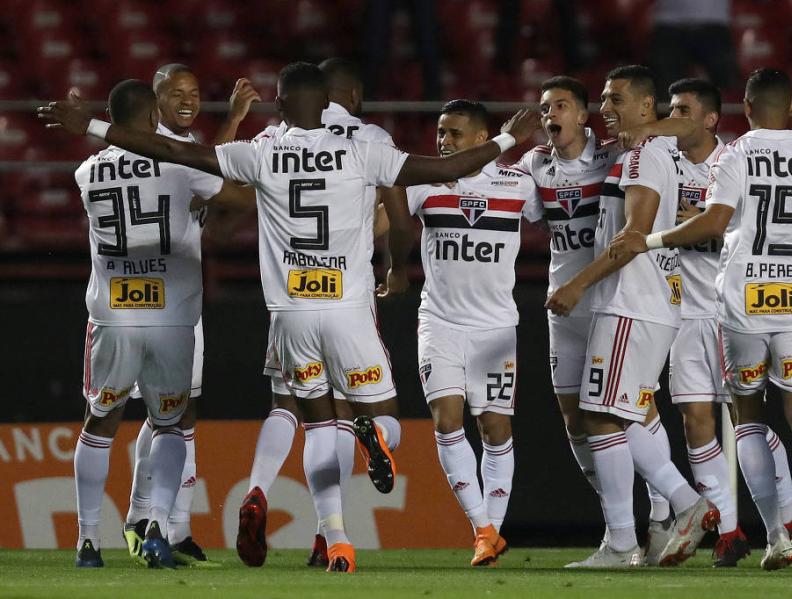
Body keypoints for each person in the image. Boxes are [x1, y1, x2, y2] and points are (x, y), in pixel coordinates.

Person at [39, 61, 542, 573]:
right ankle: (378, 441)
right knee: (382, 414)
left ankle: (337, 540)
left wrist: (95, 129)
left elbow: (173, 150)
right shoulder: (363, 148)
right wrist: (506, 141)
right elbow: (443, 170)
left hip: (289, 317)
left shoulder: (262, 151)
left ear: (278, 106)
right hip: (346, 308)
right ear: (326, 105)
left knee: (316, 424)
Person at [609, 68, 792, 570]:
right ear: (791, 108)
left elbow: (716, 222)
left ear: (743, 109)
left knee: (747, 420)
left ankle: (777, 535)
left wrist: (654, 238)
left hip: (742, 307)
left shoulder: (735, 156)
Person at [545, 65, 720, 569]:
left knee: (601, 416)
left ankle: (647, 528)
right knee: (614, 415)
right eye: (602, 98)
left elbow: (633, 237)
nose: (605, 107)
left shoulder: (644, 155)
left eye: (616, 99)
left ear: (647, 106)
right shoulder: (648, 150)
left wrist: (577, 284)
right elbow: (687, 130)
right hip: (645, 304)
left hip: (631, 303)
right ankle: (649, 524)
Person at [67, 80, 247, 569]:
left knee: (100, 423)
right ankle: (157, 529)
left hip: (112, 314)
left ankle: (87, 541)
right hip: (171, 316)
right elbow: (235, 198)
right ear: (153, 120)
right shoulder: (180, 163)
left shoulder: (86, 172)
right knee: (171, 425)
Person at [245, 57, 413, 568]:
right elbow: (399, 220)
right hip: (349, 300)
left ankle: (316, 525)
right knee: (367, 417)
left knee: (295, 409)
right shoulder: (372, 140)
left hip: (292, 301)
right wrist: (394, 267)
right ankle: (333, 523)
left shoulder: (276, 138)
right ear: (354, 96)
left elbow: (231, 189)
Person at [123, 63, 259, 568]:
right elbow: (218, 179)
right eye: (175, 92)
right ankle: (153, 521)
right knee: (173, 416)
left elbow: (207, 168)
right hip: (159, 302)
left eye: (194, 91)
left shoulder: (179, 147)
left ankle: (159, 522)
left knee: (174, 414)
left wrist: (232, 122)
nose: (187, 99)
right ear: (153, 99)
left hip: (175, 299)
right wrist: (276, 185)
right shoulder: (160, 149)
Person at [408, 99, 542, 566]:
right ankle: (482, 529)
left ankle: (492, 533)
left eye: (455, 134)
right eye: (440, 133)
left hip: (496, 329)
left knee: (494, 428)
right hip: (439, 323)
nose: (444, 141)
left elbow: (566, 219)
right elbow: (380, 216)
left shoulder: (518, 183)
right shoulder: (422, 182)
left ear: (483, 138)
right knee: (447, 421)